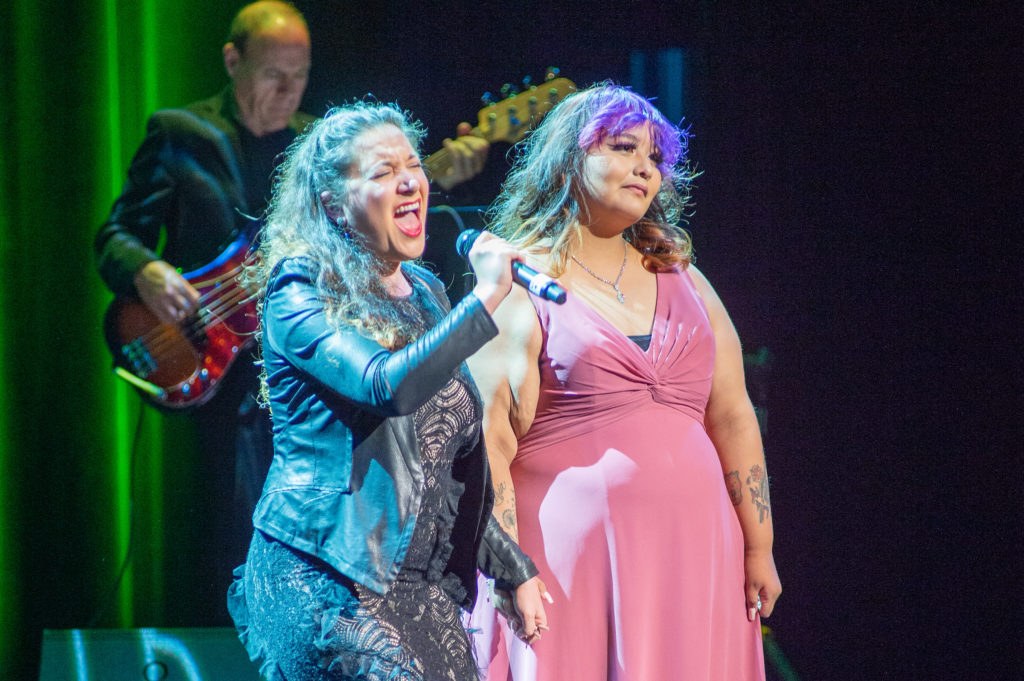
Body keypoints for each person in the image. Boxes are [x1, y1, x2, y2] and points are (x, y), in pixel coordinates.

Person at [93, 1, 488, 625]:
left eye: (299, 76)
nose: (288, 90)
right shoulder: (179, 134)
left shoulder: (317, 142)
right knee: (221, 525)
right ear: (233, 61)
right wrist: (146, 271)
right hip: (209, 355)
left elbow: (367, 216)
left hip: (303, 360)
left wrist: (435, 176)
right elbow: (115, 235)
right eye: (273, 74)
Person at [466, 83, 782, 680]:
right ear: (569, 158)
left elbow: (733, 415)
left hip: (696, 556)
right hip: (570, 566)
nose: (644, 166)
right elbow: (490, 443)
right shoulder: (521, 280)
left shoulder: (686, 280)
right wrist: (508, 568)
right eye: (623, 147)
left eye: (655, 157)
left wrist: (759, 546)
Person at [225, 101, 548, 681]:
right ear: (333, 204)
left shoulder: (425, 292)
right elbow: (385, 386)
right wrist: (486, 297)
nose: (409, 182)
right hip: (327, 574)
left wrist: (509, 565)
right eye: (382, 172)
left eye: (414, 165)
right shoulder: (299, 288)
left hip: (416, 586)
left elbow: (444, 467)